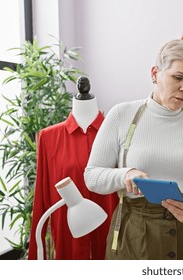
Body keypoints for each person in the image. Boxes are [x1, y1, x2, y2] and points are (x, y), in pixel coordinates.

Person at [84, 39, 183, 260]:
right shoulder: (121, 115)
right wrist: (125, 174)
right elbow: (92, 177)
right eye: (178, 77)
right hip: (135, 234)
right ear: (155, 73)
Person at [29, 77, 118, 260]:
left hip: (111, 232)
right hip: (67, 235)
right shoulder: (49, 137)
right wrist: (35, 258)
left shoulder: (116, 133)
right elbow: (41, 198)